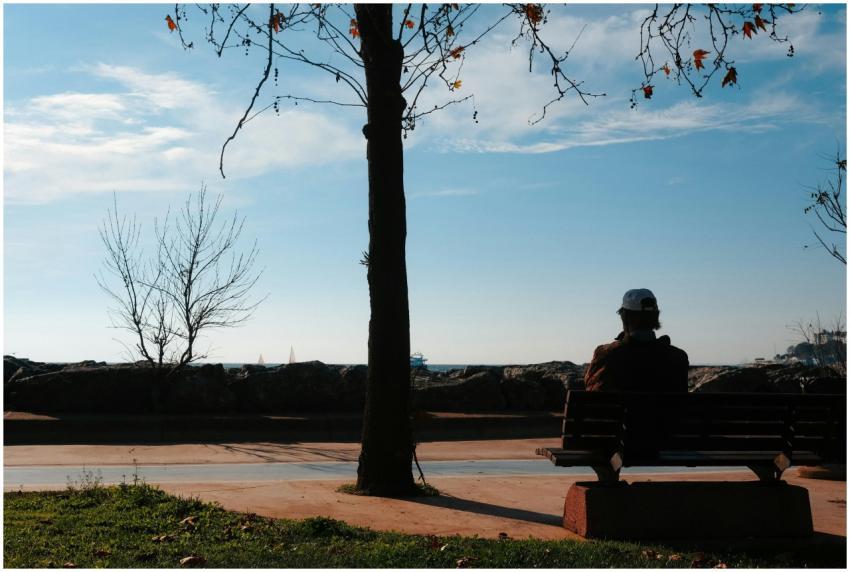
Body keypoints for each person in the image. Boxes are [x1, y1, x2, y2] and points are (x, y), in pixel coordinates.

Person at [584, 288, 689, 392]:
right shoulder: (678, 357)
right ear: (656, 316)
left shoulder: (606, 354)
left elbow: (592, 390)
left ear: (624, 317)